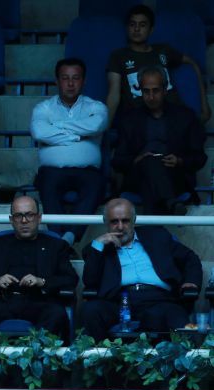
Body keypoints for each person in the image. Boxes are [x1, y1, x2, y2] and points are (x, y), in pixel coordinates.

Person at [81, 198, 202, 340]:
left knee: (169, 316)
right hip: (118, 301)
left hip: (159, 299)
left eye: (125, 221)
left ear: (134, 220)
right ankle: (99, 354)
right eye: (114, 222)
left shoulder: (157, 236)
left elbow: (190, 258)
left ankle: (184, 353)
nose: (120, 227)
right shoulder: (97, 248)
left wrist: (191, 281)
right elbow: (90, 281)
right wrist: (99, 244)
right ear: (105, 222)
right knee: (91, 309)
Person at [0, 196, 79, 340]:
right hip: (2, 301)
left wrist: (42, 281)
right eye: (18, 216)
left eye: (29, 215)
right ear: (11, 220)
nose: (24, 221)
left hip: (39, 302)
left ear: (39, 218)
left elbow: (70, 279)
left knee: (56, 314)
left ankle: (40, 354)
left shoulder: (55, 245)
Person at [30, 58, 108, 246]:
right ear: (57, 81)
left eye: (76, 78)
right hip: (52, 171)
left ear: (84, 81)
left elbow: (96, 125)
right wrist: (79, 135)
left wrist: (56, 127)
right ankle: (59, 239)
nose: (70, 83)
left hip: (88, 171)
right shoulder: (43, 108)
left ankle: (68, 238)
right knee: (46, 183)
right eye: (65, 78)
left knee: (97, 184)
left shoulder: (97, 107)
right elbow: (39, 132)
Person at [112, 66, 206, 216]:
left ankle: (154, 224)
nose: (151, 97)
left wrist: (179, 161)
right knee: (149, 163)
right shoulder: (129, 120)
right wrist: (137, 159)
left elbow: (200, 158)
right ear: (140, 90)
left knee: (149, 181)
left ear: (165, 89)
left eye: (155, 90)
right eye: (146, 91)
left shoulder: (185, 117)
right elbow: (117, 161)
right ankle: (170, 202)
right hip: (137, 176)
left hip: (174, 176)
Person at [106, 4, 210, 126]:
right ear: (127, 28)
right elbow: (114, 94)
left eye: (142, 25)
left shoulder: (163, 50)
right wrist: (103, 128)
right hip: (142, 119)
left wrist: (205, 107)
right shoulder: (118, 56)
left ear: (151, 29)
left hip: (175, 115)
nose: (137, 29)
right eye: (132, 24)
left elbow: (193, 63)